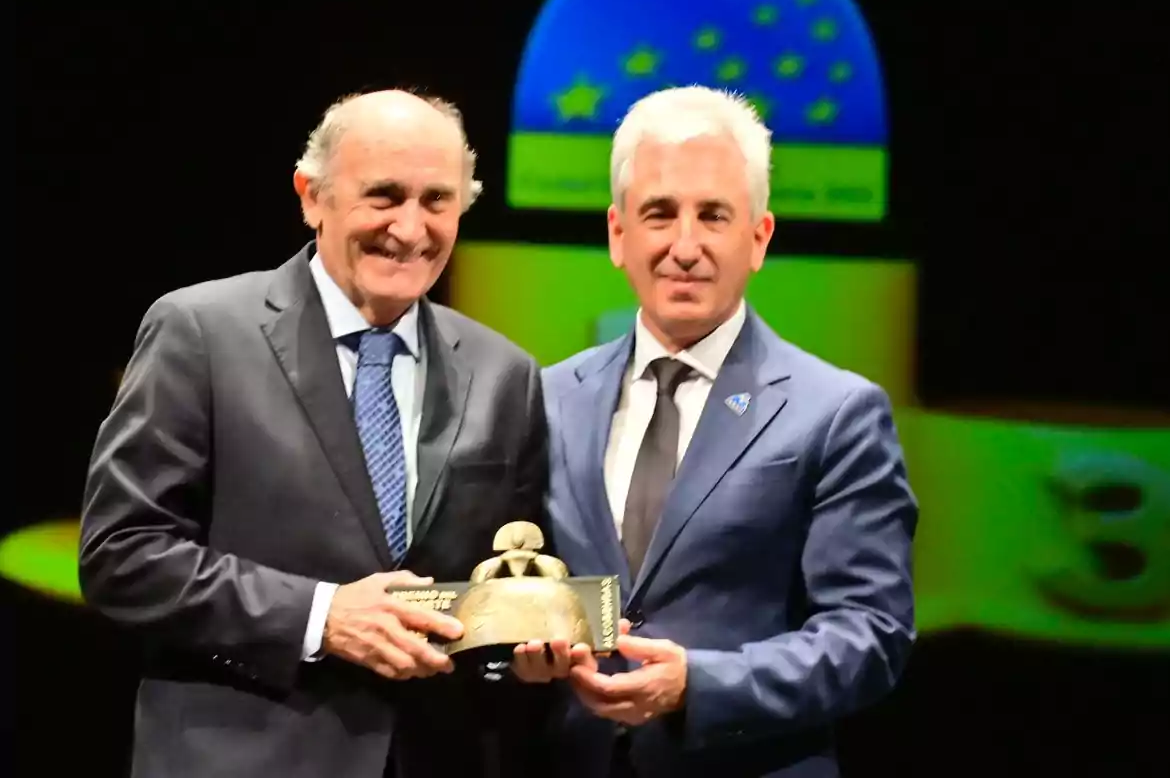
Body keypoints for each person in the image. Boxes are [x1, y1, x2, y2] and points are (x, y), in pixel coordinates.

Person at [78, 90, 553, 778]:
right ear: (312, 196)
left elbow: (505, 581)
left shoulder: (504, 371)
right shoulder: (201, 332)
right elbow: (122, 555)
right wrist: (320, 615)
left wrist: (532, 646)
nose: (411, 228)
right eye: (384, 196)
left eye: (437, 201)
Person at [511, 85, 919, 777]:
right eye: (660, 213)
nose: (685, 245)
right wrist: (520, 646)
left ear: (758, 238)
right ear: (618, 234)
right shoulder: (545, 398)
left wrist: (698, 686)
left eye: (714, 216)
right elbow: (519, 581)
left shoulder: (837, 413)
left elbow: (870, 636)